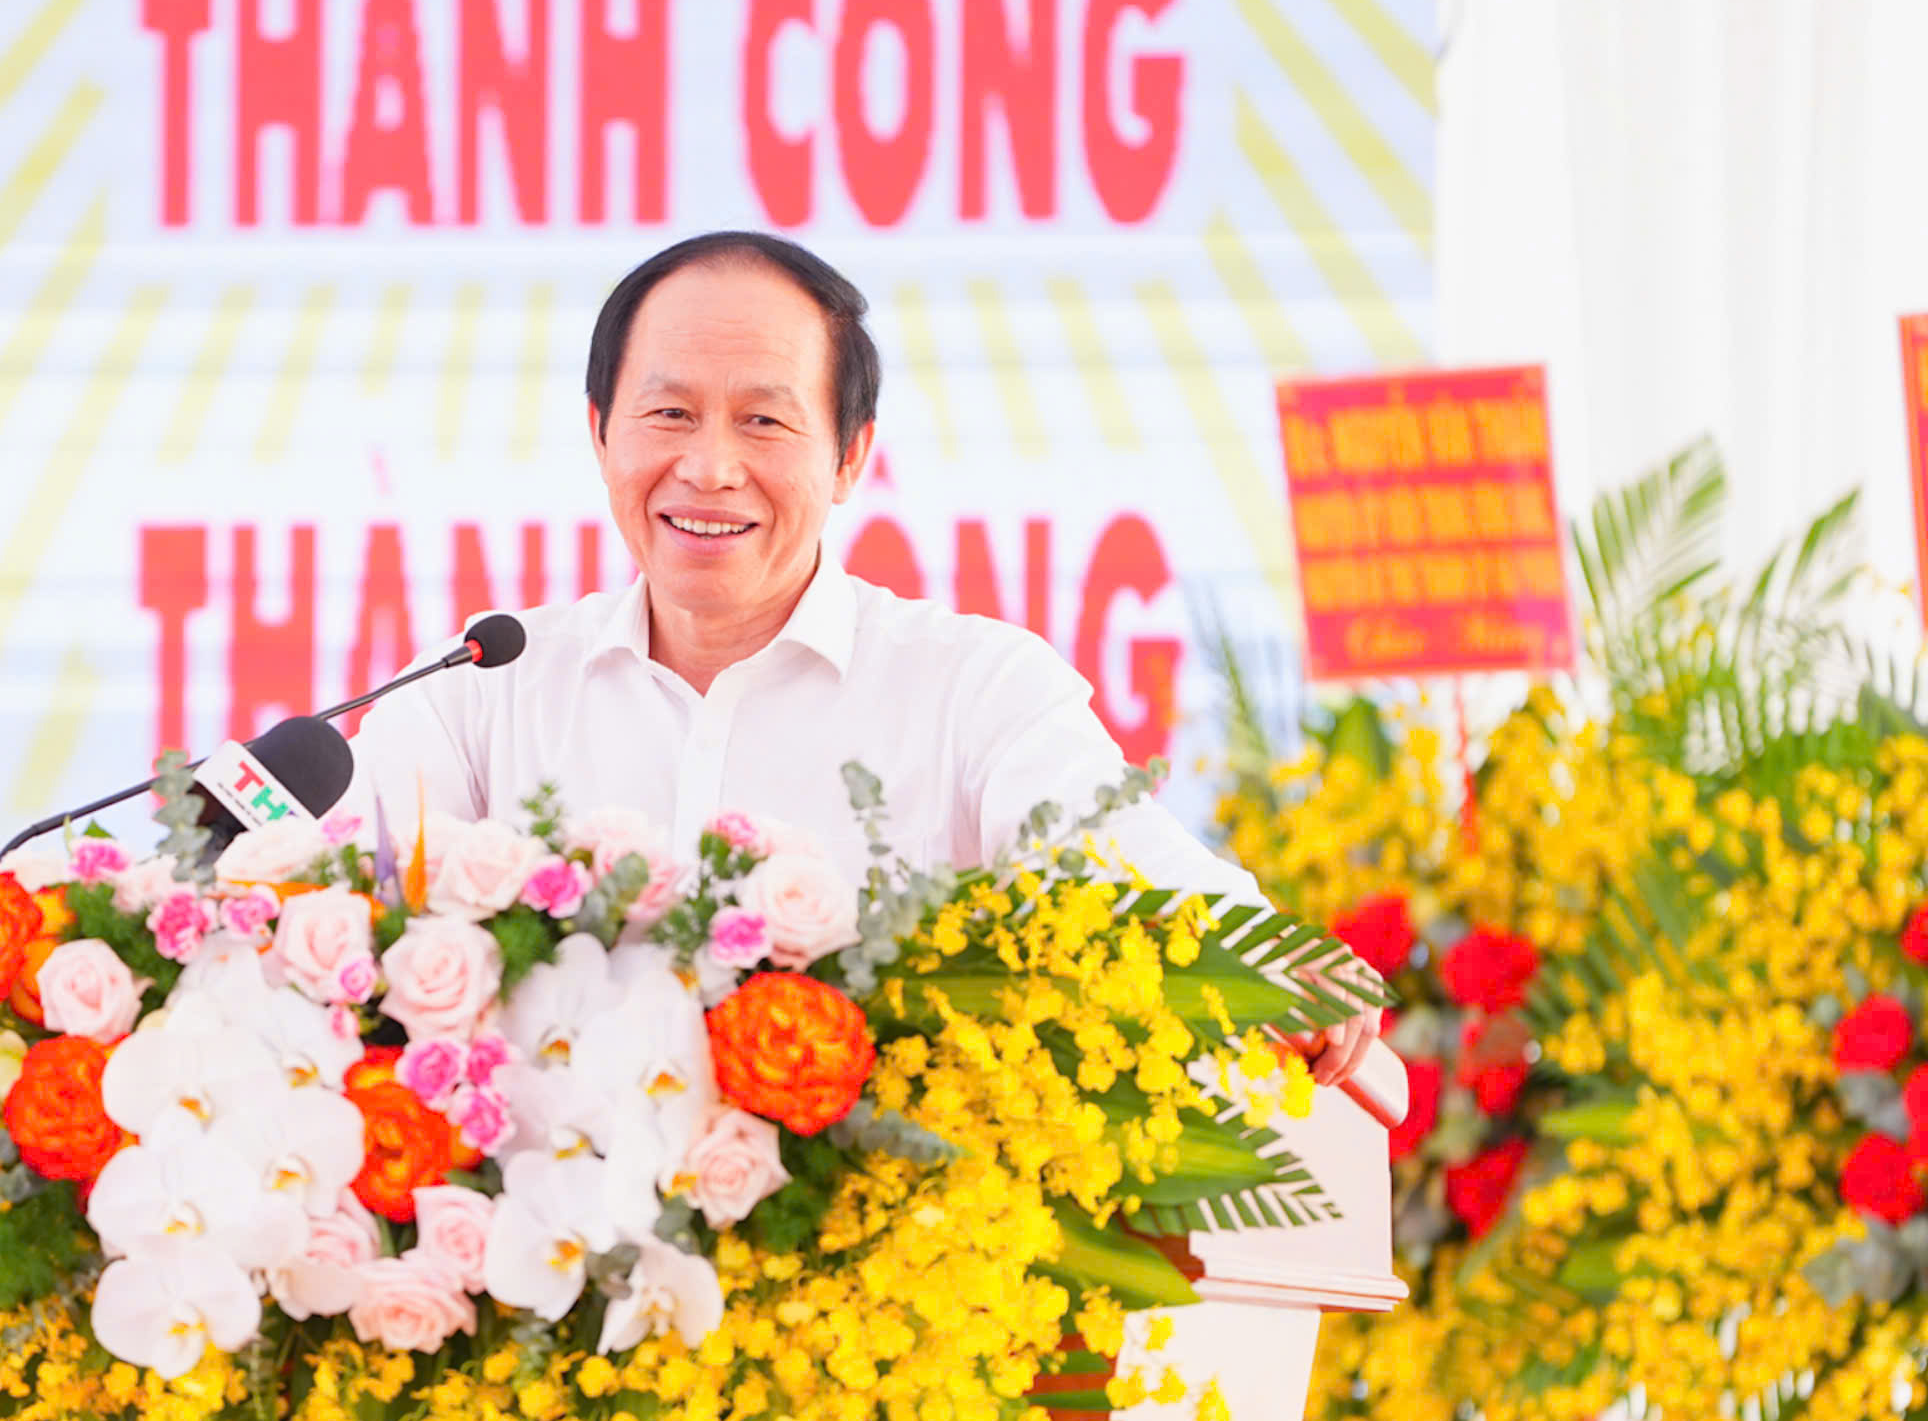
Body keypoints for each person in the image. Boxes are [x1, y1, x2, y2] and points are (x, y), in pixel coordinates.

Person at [342, 230, 1378, 1084]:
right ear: (600, 431)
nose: (710, 466)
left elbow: (1127, 866)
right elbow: (323, 891)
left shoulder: (973, 689)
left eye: (763, 421)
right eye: (669, 414)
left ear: (850, 457)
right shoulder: (481, 689)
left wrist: (1272, 963)